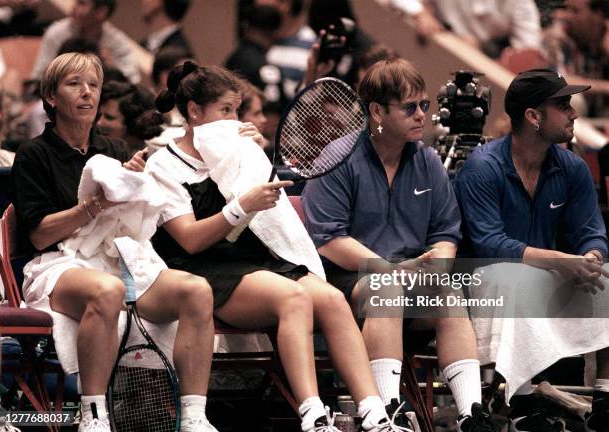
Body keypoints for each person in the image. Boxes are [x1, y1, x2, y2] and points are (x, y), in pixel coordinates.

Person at [146, 61, 406, 432]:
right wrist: (241, 206)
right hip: (202, 268)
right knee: (294, 298)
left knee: (331, 299)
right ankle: (314, 415)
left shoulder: (239, 151)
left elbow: (269, 221)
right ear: (193, 111)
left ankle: (374, 413)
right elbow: (189, 239)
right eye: (225, 110)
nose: (234, 119)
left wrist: (253, 159)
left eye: (236, 110)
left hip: (256, 261)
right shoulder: (163, 166)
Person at [11, 52, 217, 432]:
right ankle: (93, 414)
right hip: (57, 265)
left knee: (197, 291)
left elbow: (131, 219)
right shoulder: (33, 154)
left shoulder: (115, 150)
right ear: (52, 98)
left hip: (114, 256)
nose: (87, 93)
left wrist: (132, 184)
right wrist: (93, 206)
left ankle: (192, 415)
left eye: (93, 85)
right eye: (75, 84)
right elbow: (39, 233)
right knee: (108, 291)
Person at [302, 58, 498, 432]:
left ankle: (473, 415)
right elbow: (329, 239)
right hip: (344, 280)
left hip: (411, 277)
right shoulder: (337, 158)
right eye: (410, 107)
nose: (422, 115)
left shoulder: (427, 161)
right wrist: (390, 270)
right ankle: (386, 411)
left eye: (425, 105)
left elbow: (445, 232)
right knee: (385, 288)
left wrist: (438, 266)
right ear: (376, 110)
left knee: (449, 293)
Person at [454, 69, 609, 432]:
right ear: (533, 116)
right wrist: (560, 261)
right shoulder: (482, 167)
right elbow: (489, 244)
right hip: (483, 278)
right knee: (513, 278)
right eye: (562, 105)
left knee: (605, 278)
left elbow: (592, 232)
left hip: (543, 275)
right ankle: (520, 401)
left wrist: (591, 258)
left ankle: (604, 397)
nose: (573, 113)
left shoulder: (572, 167)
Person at [30, 0, 140, 84]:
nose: (73, 8)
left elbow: (133, 83)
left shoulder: (119, 44)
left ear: (101, 12)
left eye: (81, 3)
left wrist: (111, 68)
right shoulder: (56, 33)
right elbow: (38, 77)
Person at [392, 0, 542, 58]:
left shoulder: (522, 5)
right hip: (433, 45)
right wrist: (420, 13)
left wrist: (484, 49)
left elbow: (528, 56)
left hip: (481, 63)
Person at [97, 81, 165, 156]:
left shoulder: (155, 161)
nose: (99, 123)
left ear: (133, 124)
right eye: (99, 115)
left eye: (109, 118)